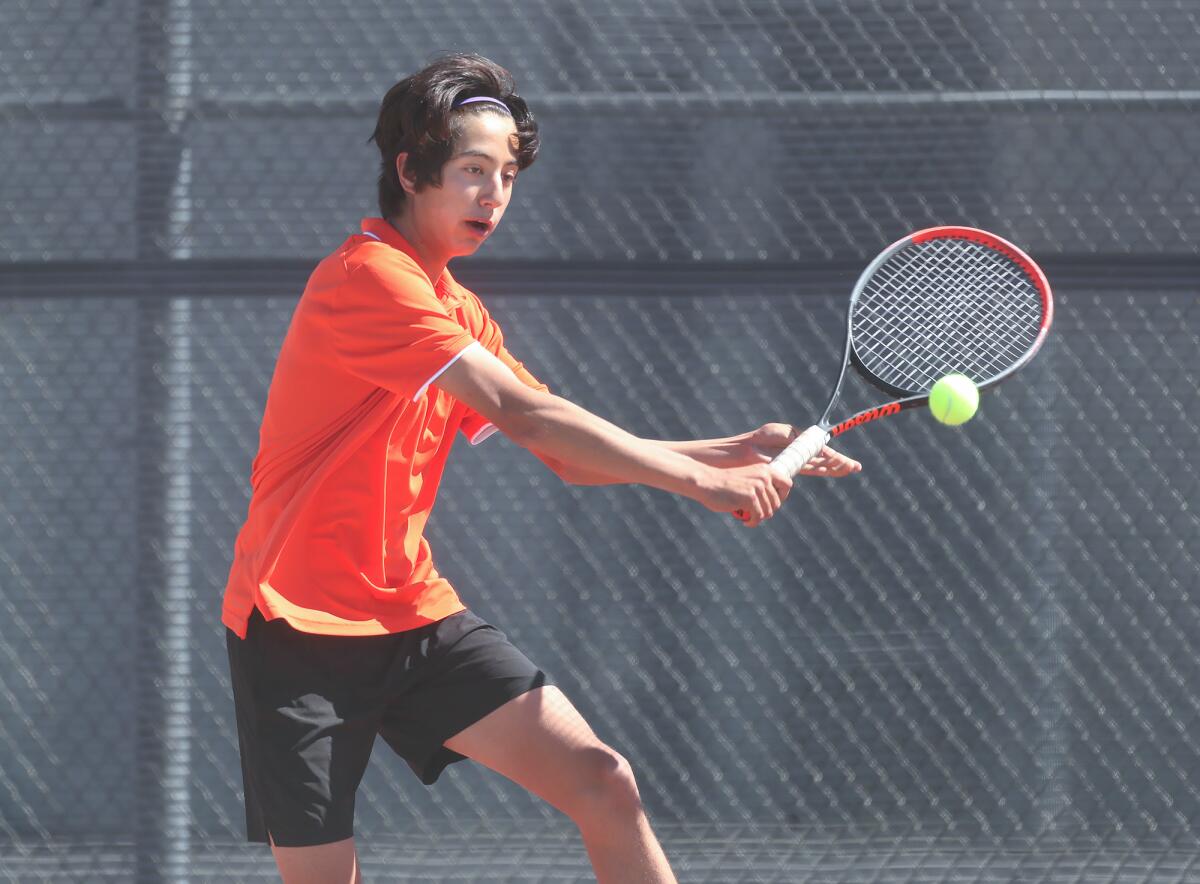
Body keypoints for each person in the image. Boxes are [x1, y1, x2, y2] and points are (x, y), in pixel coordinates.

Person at [221, 52, 862, 884]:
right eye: (473, 171)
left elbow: (567, 454)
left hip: (413, 619)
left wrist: (728, 448)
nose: (494, 196)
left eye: (508, 177)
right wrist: (703, 483)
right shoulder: (368, 279)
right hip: (293, 633)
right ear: (411, 171)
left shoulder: (459, 310)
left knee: (602, 781)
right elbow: (528, 413)